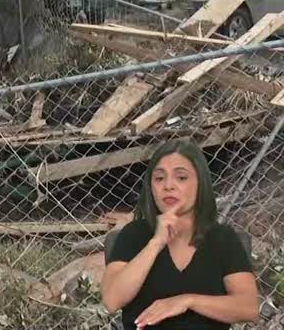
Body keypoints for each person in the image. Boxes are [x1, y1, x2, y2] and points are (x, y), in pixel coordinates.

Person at [100, 140, 260, 329]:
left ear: (200, 183)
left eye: (181, 178)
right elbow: (111, 300)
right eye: (159, 178)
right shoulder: (134, 234)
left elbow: (249, 307)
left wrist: (187, 301)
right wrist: (155, 244)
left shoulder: (221, 237)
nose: (168, 186)